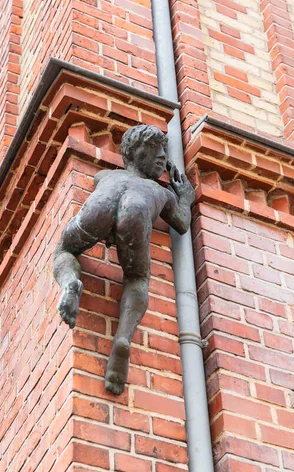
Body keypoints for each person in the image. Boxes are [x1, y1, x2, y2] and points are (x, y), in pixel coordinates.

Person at [53, 124, 195, 395]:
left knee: (65, 251)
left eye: (164, 150)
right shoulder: (163, 194)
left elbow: (97, 183)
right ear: (132, 152)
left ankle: (70, 281)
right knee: (137, 278)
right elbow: (183, 223)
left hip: (101, 204)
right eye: (155, 149)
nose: (163, 157)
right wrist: (185, 198)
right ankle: (123, 338)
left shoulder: (105, 176)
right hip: (138, 209)